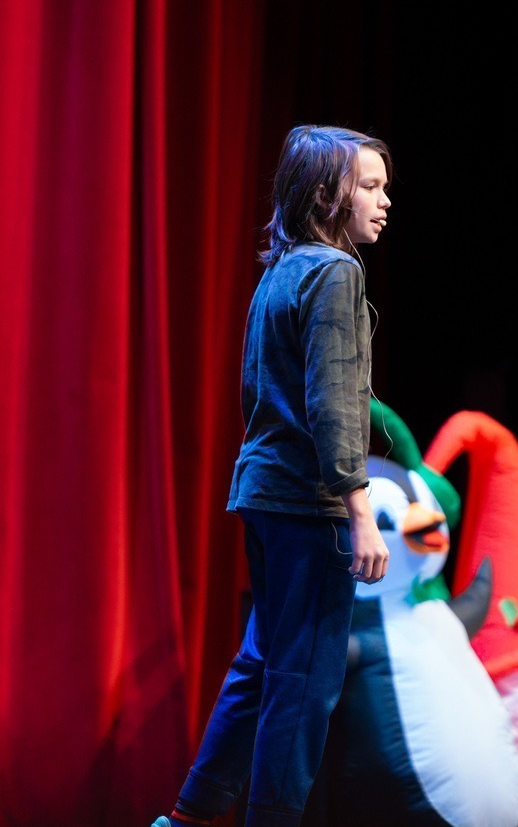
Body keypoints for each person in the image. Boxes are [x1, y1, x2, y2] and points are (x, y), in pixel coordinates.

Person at [152, 124, 392, 827]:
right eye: (369, 187)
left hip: (264, 493)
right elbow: (331, 401)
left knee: (261, 665)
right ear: (324, 195)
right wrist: (358, 510)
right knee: (303, 685)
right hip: (308, 504)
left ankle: (188, 819)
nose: (383, 202)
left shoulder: (282, 270)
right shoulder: (336, 271)